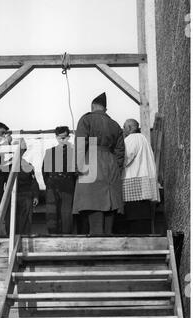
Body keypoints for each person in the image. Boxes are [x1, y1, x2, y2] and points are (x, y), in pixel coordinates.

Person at [73, 92, 125, 234]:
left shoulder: (86, 120)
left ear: (92, 107)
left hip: (92, 161)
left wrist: (78, 168)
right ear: (105, 109)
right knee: (110, 209)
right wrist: (116, 169)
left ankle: (97, 249)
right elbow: (120, 152)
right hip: (111, 164)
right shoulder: (115, 125)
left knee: (93, 205)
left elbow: (80, 144)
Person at [122, 119, 160, 233]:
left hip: (134, 183)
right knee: (143, 220)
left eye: (124, 127)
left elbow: (126, 158)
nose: (123, 130)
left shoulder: (131, 139)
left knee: (135, 221)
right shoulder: (143, 138)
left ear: (129, 128)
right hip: (144, 182)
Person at [42, 126, 76, 234]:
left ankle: (67, 238)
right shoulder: (49, 152)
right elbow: (44, 172)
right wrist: (49, 184)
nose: (62, 140)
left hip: (67, 186)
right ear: (56, 137)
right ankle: (52, 236)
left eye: (65, 137)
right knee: (51, 213)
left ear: (68, 137)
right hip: (52, 185)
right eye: (60, 137)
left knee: (66, 214)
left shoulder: (74, 152)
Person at [6, 138, 40, 235]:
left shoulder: (28, 165)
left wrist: (36, 195)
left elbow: (33, 181)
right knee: (11, 222)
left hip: (25, 197)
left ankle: (24, 239)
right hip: (12, 197)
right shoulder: (8, 165)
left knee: (25, 223)